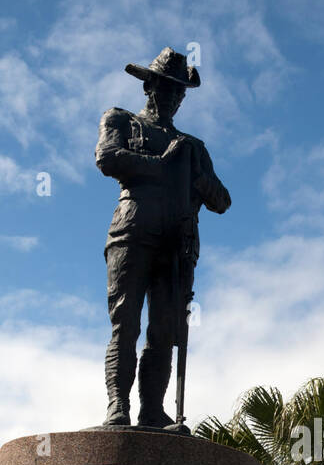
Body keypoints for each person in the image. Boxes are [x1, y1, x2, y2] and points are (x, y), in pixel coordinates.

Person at [95, 47, 231, 427]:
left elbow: (223, 201)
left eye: (180, 92)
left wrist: (196, 177)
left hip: (178, 243)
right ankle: (117, 405)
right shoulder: (120, 119)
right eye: (167, 89)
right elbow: (108, 158)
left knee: (164, 332)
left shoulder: (194, 148)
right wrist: (162, 164)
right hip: (132, 230)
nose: (174, 97)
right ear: (149, 86)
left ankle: (152, 410)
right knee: (126, 324)